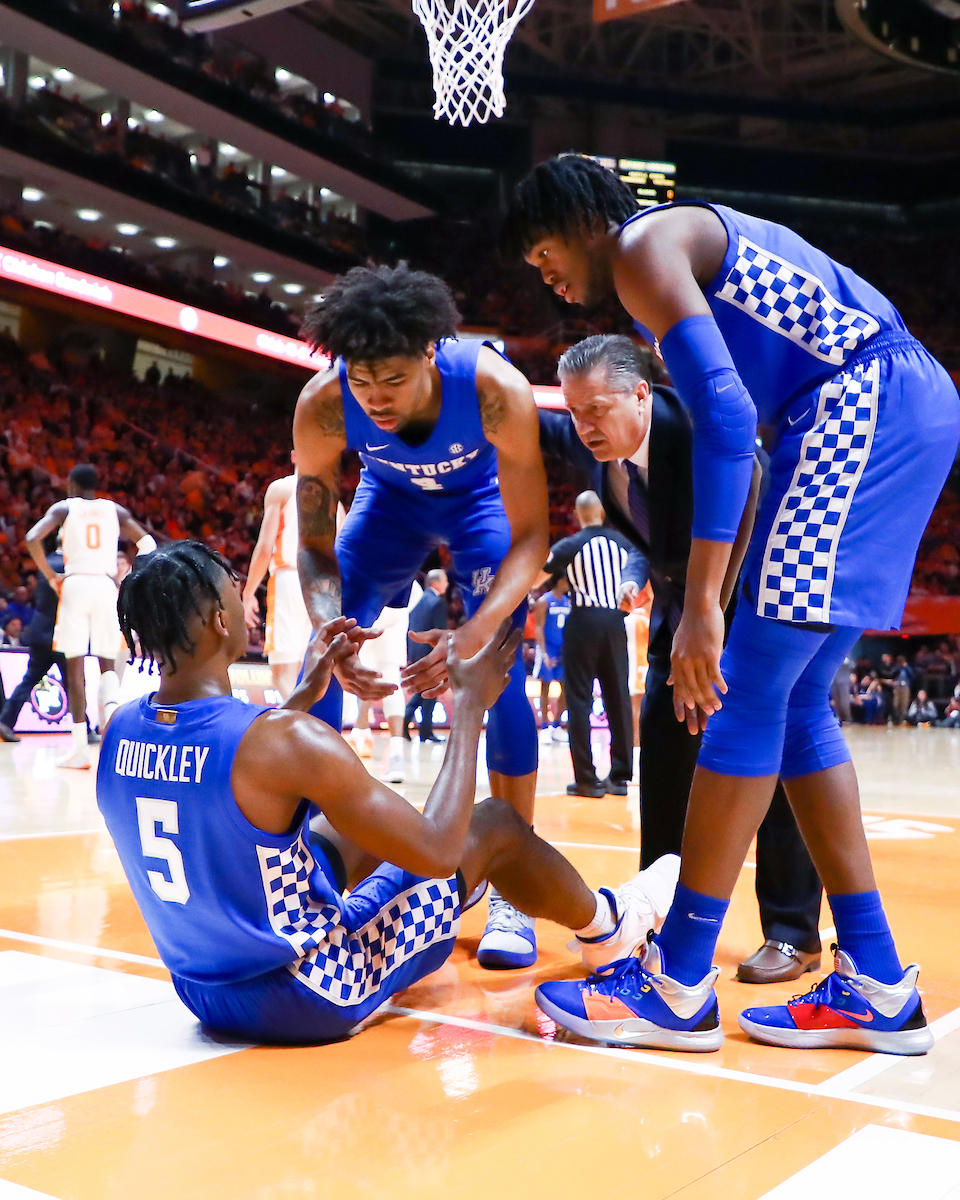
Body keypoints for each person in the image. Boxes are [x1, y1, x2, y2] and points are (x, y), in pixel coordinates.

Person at [506, 153, 957, 1052]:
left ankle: (675, 980)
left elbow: (719, 416)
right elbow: (736, 418)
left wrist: (705, 601)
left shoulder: (640, 247)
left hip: (855, 401)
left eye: (542, 250)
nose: (543, 272)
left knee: (747, 689)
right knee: (791, 706)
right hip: (876, 405)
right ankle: (873, 978)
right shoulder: (673, 246)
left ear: (584, 220)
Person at [96, 541, 680, 1045]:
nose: (243, 596)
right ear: (220, 622)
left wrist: (302, 695)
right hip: (309, 994)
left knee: (339, 826)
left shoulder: (122, 726)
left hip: (202, 989)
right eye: (232, 588)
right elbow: (436, 848)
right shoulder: (280, 741)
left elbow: (229, 774)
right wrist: (470, 704)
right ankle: (611, 929)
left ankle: (463, 901)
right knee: (494, 823)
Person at [537, 334, 823, 984]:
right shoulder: (602, 458)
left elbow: (748, 479)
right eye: (575, 413)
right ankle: (656, 910)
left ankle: (793, 932)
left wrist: (711, 615)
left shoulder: (693, 425)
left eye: (598, 410)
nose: (586, 426)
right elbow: (660, 533)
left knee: (762, 751)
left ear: (642, 393)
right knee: (664, 744)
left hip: (758, 595)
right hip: (682, 607)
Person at [292, 263, 548, 969]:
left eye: (393, 381)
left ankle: (512, 892)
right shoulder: (322, 403)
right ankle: (308, 861)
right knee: (325, 665)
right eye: (362, 381)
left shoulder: (496, 388)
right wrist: (328, 626)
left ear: (431, 352)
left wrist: (472, 630)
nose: (374, 399)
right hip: (389, 506)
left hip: (479, 505)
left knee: (502, 674)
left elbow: (532, 540)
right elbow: (313, 548)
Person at [25, 464, 157, 769]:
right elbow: (147, 542)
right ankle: (112, 743)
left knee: (75, 667)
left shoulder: (64, 508)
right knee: (107, 662)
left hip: (74, 583)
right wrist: (130, 575)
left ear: (72, 484)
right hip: (105, 584)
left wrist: (50, 576)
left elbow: (33, 537)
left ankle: (80, 749)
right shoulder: (115, 511)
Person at [534, 491, 634, 798]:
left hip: (582, 621)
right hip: (615, 621)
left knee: (578, 699)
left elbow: (537, 577)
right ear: (602, 512)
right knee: (618, 696)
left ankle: (587, 780)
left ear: (578, 515)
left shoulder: (570, 544)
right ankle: (619, 778)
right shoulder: (623, 544)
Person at [241, 458, 312, 699]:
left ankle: (302, 731)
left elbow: (264, 547)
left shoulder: (282, 487)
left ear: (294, 455)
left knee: (283, 672)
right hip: (325, 585)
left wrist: (249, 592)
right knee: (309, 669)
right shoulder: (334, 497)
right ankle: (317, 728)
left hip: (291, 579)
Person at [350, 580, 423, 784]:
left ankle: (370, 736)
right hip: (383, 610)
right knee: (376, 674)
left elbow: (415, 591)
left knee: (377, 674)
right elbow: (416, 591)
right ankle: (367, 734)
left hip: (377, 611)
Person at [403, 570, 448, 746]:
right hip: (429, 653)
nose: (448, 584)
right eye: (445, 580)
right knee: (429, 693)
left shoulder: (416, 600)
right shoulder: (437, 603)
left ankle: (406, 724)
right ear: (436, 583)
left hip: (414, 651)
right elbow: (440, 634)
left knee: (421, 692)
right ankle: (425, 732)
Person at [532, 578, 570, 743]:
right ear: (560, 580)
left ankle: (557, 725)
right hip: (548, 647)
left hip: (564, 648)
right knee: (545, 686)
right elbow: (539, 627)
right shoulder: (544, 600)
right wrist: (544, 652)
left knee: (565, 688)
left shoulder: (569, 601)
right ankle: (545, 727)